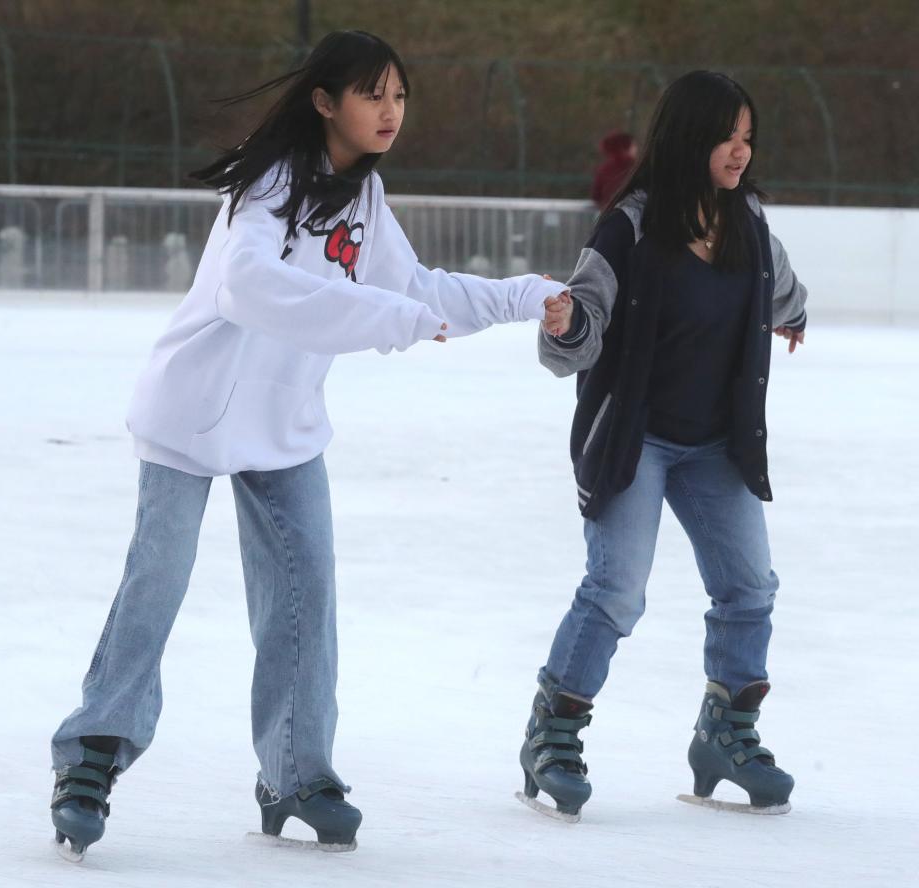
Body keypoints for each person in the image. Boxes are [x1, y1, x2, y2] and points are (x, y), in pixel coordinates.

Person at [48, 29, 571, 860]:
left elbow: (420, 290)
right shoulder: (270, 183)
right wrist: (394, 322)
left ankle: (295, 773)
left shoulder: (364, 198)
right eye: (374, 95)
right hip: (195, 415)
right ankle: (91, 757)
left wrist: (524, 295)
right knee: (157, 585)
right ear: (326, 101)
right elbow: (249, 287)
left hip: (284, 427)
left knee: (305, 595)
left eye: (400, 95)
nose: (391, 111)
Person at [517, 70, 807, 823]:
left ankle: (726, 735)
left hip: (716, 444)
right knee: (617, 591)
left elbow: (780, 287)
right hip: (636, 439)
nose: (741, 152)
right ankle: (552, 734)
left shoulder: (748, 226)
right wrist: (565, 326)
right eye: (727, 136)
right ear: (690, 136)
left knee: (750, 588)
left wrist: (793, 315)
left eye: (748, 137)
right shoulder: (631, 227)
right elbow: (579, 324)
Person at [590, 131, 637, 209]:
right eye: (634, 145)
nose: (636, 149)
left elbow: (596, 196)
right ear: (627, 146)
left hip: (609, 214)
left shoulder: (603, 169)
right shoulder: (637, 167)